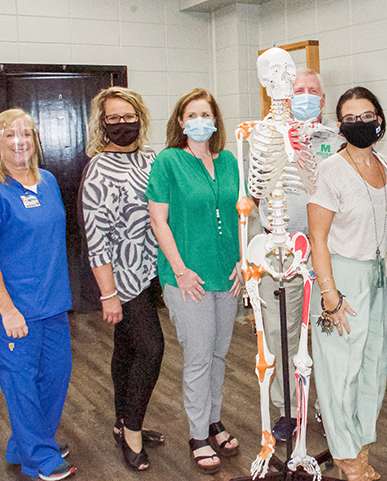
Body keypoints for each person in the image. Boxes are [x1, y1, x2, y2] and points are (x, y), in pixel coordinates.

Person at [0, 109, 75, 481]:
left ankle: (28, 441)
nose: (19, 141)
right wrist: (8, 310)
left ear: (36, 141)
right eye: (9, 135)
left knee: (56, 375)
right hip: (13, 309)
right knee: (22, 382)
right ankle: (38, 459)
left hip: (52, 303)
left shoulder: (47, 181)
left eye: (26, 134)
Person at [146, 88, 242, 474]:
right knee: (199, 356)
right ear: (181, 122)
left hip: (227, 274)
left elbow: (242, 214)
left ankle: (214, 420)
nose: (200, 120)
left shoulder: (231, 160)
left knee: (219, 354)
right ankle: (198, 434)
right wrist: (181, 270)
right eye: (192, 114)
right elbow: (158, 220)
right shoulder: (169, 161)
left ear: (216, 121)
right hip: (188, 278)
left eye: (207, 113)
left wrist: (243, 260)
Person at [307, 86, 387, 481]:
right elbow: (318, 239)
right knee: (339, 373)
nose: (360, 123)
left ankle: (359, 449)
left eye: (367, 116)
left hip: (378, 280)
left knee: (372, 370)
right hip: (342, 279)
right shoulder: (328, 170)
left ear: (379, 119)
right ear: (339, 125)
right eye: (351, 118)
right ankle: (345, 458)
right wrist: (329, 295)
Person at [80, 87, 165, 471]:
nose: (122, 124)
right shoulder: (98, 168)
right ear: (102, 124)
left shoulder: (152, 159)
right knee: (152, 348)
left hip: (154, 272)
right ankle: (132, 430)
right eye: (112, 118)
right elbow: (96, 238)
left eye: (128, 116)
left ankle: (122, 420)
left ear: (140, 118)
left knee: (128, 350)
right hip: (124, 278)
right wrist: (108, 294)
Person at [257, 67, 344, 417]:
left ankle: (327, 407)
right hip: (282, 251)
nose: (305, 96)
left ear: (322, 100)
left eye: (312, 91)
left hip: (328, 250)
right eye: (298, 91)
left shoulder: (338, 141)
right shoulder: (267, 139)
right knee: (283, 333)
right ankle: (289, 409)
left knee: (328, 331)